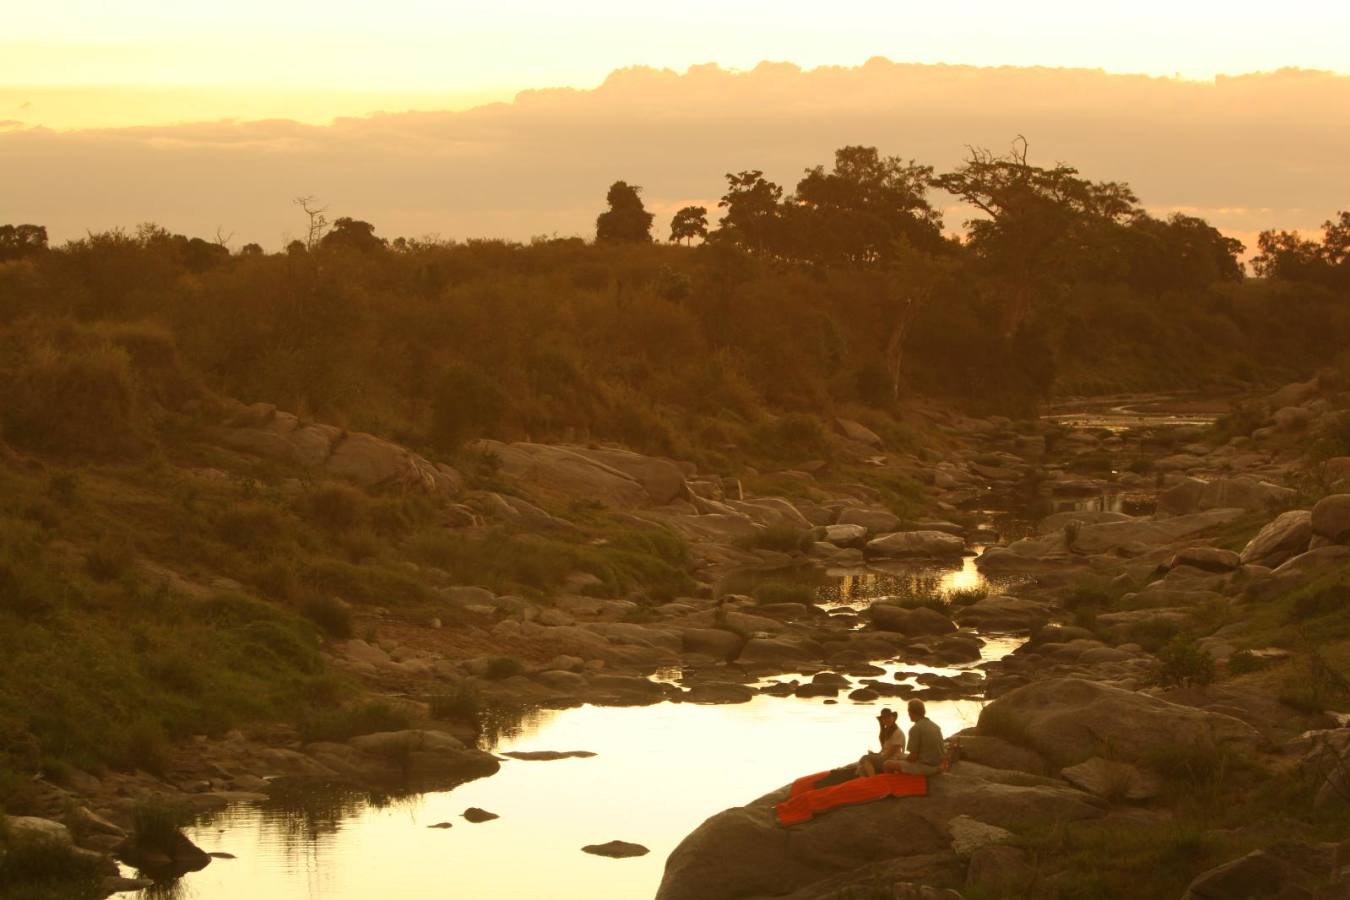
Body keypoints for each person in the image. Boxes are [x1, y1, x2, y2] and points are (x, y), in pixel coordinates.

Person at [883, 699, 944, 776]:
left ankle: (892, 783)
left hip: (925, 767)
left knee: (887, 764)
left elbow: (913, 757)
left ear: (912, 712)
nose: (908, 714)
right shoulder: (935, 726)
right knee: (901, 757)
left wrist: (902, 760)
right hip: (937, 764)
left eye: (908, 711)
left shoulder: (915, 729)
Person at [856, 708, 905, 777]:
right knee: (861, 767)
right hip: (886, 757)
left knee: (865, 758)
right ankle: (868, 781)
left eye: (889, 717)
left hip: (892, 759)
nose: (887, 720)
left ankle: (873, 779)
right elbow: (884, 748)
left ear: (893, 718)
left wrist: (877, 758)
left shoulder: (897, 732)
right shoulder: (888, 732)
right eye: (884, 718)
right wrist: (877, 754)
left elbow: (891, 752)